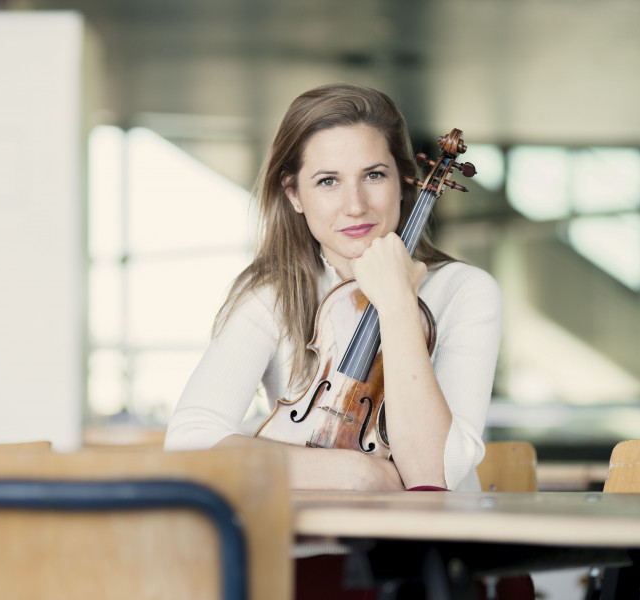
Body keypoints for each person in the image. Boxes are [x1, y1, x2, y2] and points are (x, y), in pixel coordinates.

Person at [164, 82, 513, 599]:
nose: (355, 205)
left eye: (374, 175)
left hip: (429, 568)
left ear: (404, 183)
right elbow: (190, 442)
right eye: (327, 181)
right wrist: (354, 473)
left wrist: (396, 304)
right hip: (296, 561)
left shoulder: (465, 291)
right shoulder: (271, 293)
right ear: (294, 194)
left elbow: (429, 476)